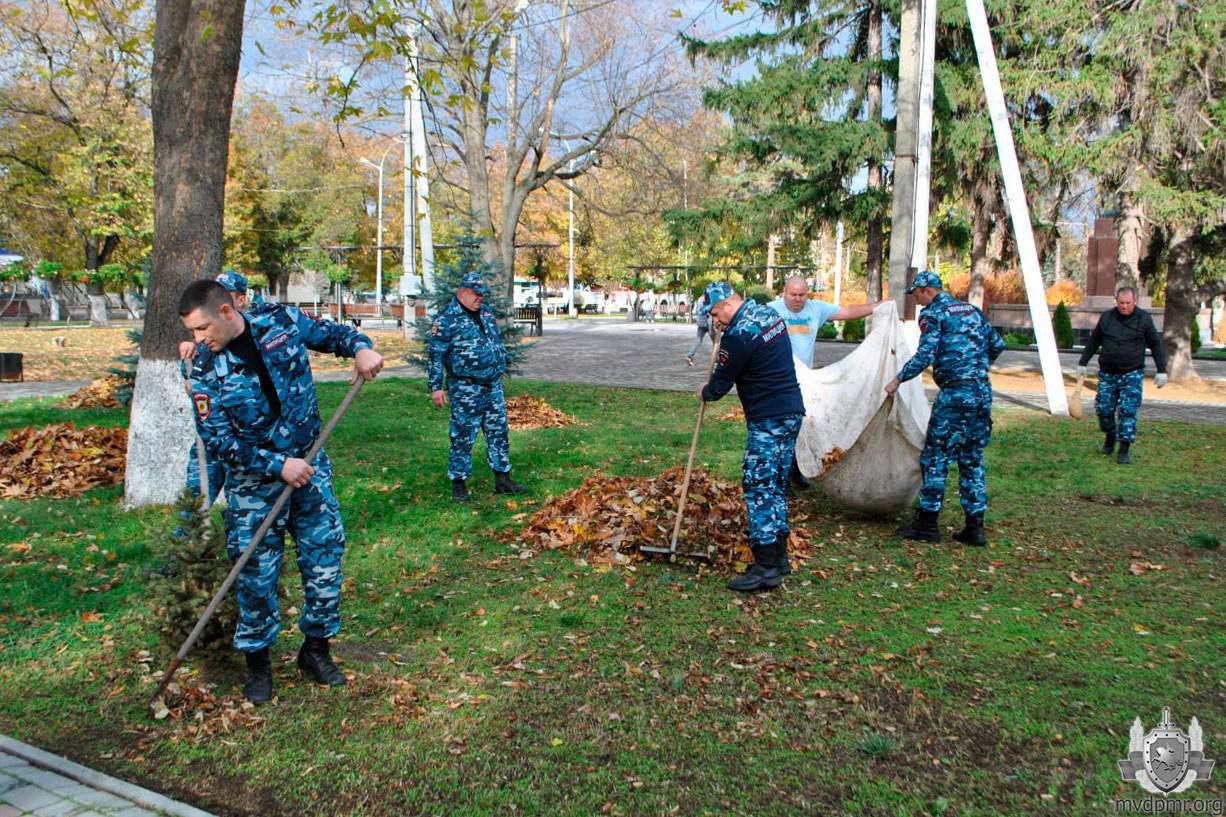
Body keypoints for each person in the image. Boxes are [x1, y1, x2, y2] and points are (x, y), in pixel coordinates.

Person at [179, 280, 384, 704]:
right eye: (192, 331)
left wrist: (361, 347)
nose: (198, 339)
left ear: (227, 312)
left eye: (202, 328)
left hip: (310, 467)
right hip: (255, 485)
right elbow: (218, 441)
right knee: (256, 577)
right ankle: (258, 665)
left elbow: (334, 335)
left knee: (325, 561)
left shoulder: (280, 322)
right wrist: (278, 466)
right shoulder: (203, 369)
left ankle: (316, 651)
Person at [696, 282, 805, 592]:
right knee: (777, 485)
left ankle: (766, 567)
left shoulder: (739, 334)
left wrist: (705, 391)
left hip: (768, 419)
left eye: (714, 313)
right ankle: (780, 558)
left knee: (758, 487)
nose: (714, 320)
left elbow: (720, 386)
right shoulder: (768, 315)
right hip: (791, 412)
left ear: (727, 305)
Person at [884, 271, 1005, 546]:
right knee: (972, 458)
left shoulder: (933, 314)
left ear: (928, 290)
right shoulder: (972, 311)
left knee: (936, 456)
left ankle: (927, 525)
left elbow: (925, 354)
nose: (916, 300)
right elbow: (998, 344)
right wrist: (976, 366)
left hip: (955, 395)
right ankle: (975, 527)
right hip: (981, 393)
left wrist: (898, 379)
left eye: (917, 294)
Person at [428, 272, 527, 502]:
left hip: (493, 386)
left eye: (482, 294)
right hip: (466, 388)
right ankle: (459, 484)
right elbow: (435, 355)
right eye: (476, 293)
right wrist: (436, 386)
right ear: (462, 292)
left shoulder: (486, 313)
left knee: (499, 433)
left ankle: (503, 480)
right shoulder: (446, 319)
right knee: (463, 437)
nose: (480, 297)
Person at [179, 272, 254, 504]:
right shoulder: (208, 339)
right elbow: (192, 379)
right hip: (212, 439)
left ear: (240, 300)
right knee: (196, 505)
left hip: (246, 444)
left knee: (245, 504)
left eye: (228, 295)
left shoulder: (255, 335)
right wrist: (188, 363)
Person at [1077, 286, 1168, 464]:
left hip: (1132, 373)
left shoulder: (1143, 319)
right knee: (1104, 409)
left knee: (1128, 410)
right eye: (1121, 303)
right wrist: (1082, 363)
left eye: (1128, 303)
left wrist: (1162, 370)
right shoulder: (1107, 318)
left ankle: (1124, 449)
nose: (1124, 306)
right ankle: (1110, 436)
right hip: (1108, 374)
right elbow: (1094, 341)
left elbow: (1156, 345)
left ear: (1135, 301)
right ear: (1116, 302)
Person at [768, 275, 881, 368]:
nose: (797, 299)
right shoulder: (768, 311)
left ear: (807, 293)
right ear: (784, 292)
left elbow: (848, 312)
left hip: (805, 378)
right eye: (793, 295)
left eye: (801, 295)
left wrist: (879, 306)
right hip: (776, 377)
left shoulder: (816, 309)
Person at [685, 292, 713, 366]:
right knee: (716, 342)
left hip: (700, 322)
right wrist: (710, 327)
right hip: (709, 323)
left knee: (698, 340)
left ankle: (689, 356)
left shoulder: (699, 299)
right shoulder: (710, 298)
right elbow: (709, 312)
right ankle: (717, 359)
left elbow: (698, 310)